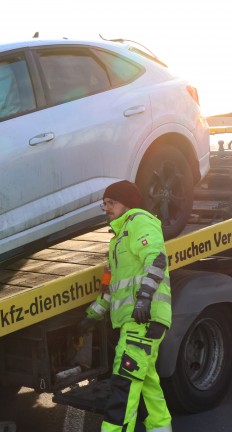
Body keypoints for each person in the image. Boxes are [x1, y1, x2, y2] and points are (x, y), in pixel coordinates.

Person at [80, 180, 173, 432]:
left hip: (142, 319)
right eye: (105, 204)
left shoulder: (139, 221)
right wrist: (93, 315)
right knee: (147, 385)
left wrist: (144, 297)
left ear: (128, 203)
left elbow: (156, 257)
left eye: (112, 203)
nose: (107, 208)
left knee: (124, 386)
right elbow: (111, 287)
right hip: (137, 321)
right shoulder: (117, 239)